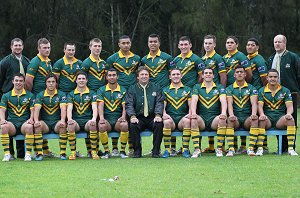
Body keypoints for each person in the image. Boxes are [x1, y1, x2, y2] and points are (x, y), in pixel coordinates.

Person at [107, 35, 140, 155]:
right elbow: (110, 75)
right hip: (117, 93)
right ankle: (115, 148)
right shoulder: (112, 59)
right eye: (123, 43)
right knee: (117, 118)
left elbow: (139, 74)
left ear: (130, 44)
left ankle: (131, 148)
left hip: (132, 92)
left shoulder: (136, 58)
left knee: (131, 119)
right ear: (119, 44)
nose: (125, 45)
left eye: (127, 43)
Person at [267, 34, 300, 152]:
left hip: (291, 93)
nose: (277, 44)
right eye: (275, 42)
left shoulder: (292, 57)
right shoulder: (271, 58)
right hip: (275, 95)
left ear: (285, 43)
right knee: (278, 120)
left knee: (291, 119)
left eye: (279, 42)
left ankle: (291, 147)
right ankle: (281, 147)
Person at [0, 38, 30, 159]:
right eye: (15, 45)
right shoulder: (5, 62)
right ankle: (10, 153)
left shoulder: (27, 61)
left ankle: (22, 153)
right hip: (8, 97)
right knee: (8, 123)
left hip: (23, 97)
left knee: (22, 122)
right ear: (11, 47)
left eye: (19, 45)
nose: (17, 47)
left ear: (22, 47)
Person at [125, 66, 163, 158]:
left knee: (159, 124)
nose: (144, 76)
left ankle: (156, 152)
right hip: (138, 117)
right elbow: (129, 104)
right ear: (137, 77)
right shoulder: (132, 88)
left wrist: (158, 115)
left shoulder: (156, 87)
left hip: (152, 117)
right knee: (133, 125)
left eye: (146, 74)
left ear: (149, 76)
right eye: (142, 74)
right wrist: (132, 116)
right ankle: (137, 152)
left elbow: (159, 102)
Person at [257, 69, 298, 156]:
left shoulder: (285, 90)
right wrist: (262, 114)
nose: (273, 79)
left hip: (280, 119)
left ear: (278, 78)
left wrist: (289, 114)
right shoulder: (261, 90)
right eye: (270, 77)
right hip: (267, 118)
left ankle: (290, 149)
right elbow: (259, 106)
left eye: (275, 77)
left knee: (291, 120)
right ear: (267, 78)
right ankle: (260, 148)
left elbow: (290, 107)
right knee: (261, 120)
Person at [190, 67, 227, 157]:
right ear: (202, 75)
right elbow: (194, 100)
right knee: (194, 120)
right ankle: (197, 149)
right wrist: (193, 113)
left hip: (214, 118)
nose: (208, 74)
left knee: (222, 120)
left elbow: (223, 100)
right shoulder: (197, 87)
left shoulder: (219, 87)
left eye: (210, 73)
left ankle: (218, 149)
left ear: (213, 75)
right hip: (202, 118)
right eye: (206, 73)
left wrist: (223, 113)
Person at [80, 38, 109, 157]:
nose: (97, 48)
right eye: (95, 46)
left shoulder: (104, 63)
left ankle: (96, 149)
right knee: (91, 121)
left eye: (99, 46)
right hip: (90, 96)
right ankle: (90, 150)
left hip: (102, 96)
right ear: (90, 47)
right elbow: (81, 78)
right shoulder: (86, 62)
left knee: (99, 122)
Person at [25, 38, 53, 156]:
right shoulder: (35, 61)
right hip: (37, 97)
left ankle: (45, 150)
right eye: (44, 48)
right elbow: (28, 81)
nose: (47, 50)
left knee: (42, 122)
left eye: (48, 48)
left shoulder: (47, 61)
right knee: (37, 123)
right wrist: (32, 97)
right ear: (39, 48)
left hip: (46, 97)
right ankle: (37, 151)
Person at [223, 35, 252, 151]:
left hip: (241, 89)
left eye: (231, 43)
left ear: (236, 45)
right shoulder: (224, 57)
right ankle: (233, 146)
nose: (229, 44)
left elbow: (249, 74)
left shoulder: (241, 56)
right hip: (230, 90)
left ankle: (244, 146)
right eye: (227, 42)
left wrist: (243, 85)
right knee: (232, 116)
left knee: (242, 114)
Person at [201, 34, 227, 153]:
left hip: (216, 93)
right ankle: (211, 147)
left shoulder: (218, 58)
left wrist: (221, 91)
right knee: (207, 116)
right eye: (206, 43)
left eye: (210, 43)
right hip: (205, 93)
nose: (207, 45)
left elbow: (223, 77)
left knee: (219, 118)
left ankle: (221, 146)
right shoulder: (202, 59)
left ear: (214, 44)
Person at [226, 65, 259, 157]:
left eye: (241, 72)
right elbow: (229, 103)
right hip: (236, 118)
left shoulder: (251, 88)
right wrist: (231, 115)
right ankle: (231, 149)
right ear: (234, 75)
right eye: (237, 72)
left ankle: (251, 148)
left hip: (246, 118)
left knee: (255, 119)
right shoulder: (229, 89)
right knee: (229, 120)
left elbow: (254, 103)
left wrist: (253, 114)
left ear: (245, 74)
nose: (239, 74)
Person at [0, 73, 34, 161]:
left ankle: (28, 154)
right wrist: (2, 119)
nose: (18, 83)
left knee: (30, 127)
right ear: (12, 82)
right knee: (3, 127)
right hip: (12, 124)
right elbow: (2, 110)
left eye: (21, 81)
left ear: (23, 83)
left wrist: (31, 119)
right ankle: (7, 155)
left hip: (24, 123)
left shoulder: (30, 95)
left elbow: (33, 110)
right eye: (16, 80)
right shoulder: (6, 95)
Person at [33, 73, 67, 160]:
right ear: (46, 83)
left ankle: (62, 153)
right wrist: (36, 121)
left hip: (56, 122)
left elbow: (63, 108)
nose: (51, 84)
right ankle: (40, 154)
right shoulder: (40, 95)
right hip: (46, 123)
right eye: (49, 82)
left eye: (53, 82)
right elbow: (36, 109)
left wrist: (62, 120)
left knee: (62, 126)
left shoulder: (61, 94)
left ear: (56, 83)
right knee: (37, 126)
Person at [66, 71, 98, 160]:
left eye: (83, 79)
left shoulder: (92, 93)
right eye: (79, 79)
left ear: (87, 80)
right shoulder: (71, 94)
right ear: (76, 81)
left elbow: (95, 108)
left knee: (93, 124)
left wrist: (94, 119)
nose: (81, 80)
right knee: (70, 125)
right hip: (76, 122)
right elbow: (69, 108)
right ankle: (73, 152)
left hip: (87, 121)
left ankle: (93, 151)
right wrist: (69, 119)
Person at [97, 68, 128, 159]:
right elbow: (100, 105)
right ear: (106, 77)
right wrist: (102, 118)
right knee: (101, 126)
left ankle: (122, 151)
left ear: (117, 76)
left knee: (125, 125)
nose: (112, 77)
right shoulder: (101, 90)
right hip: (107, 120)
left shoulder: (123, 90)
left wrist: (123, 116)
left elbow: (124, 106)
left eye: (114, 75)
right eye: (109, 75)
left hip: (118, 120)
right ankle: (107, 152)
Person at [161, 68, 191, 158]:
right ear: (170, 77)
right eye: (173, 74)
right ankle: (167, 150)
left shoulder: (188, 89)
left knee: (187, 121)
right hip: (171, 118)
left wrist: (190, 113)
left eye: (178, 74)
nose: (176, 76)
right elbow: (163, 106)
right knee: (166, 122)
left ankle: (185, 149)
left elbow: (191, 105)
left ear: (181, 76)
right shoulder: (165, 90)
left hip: (182, 118)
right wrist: (164, 114)